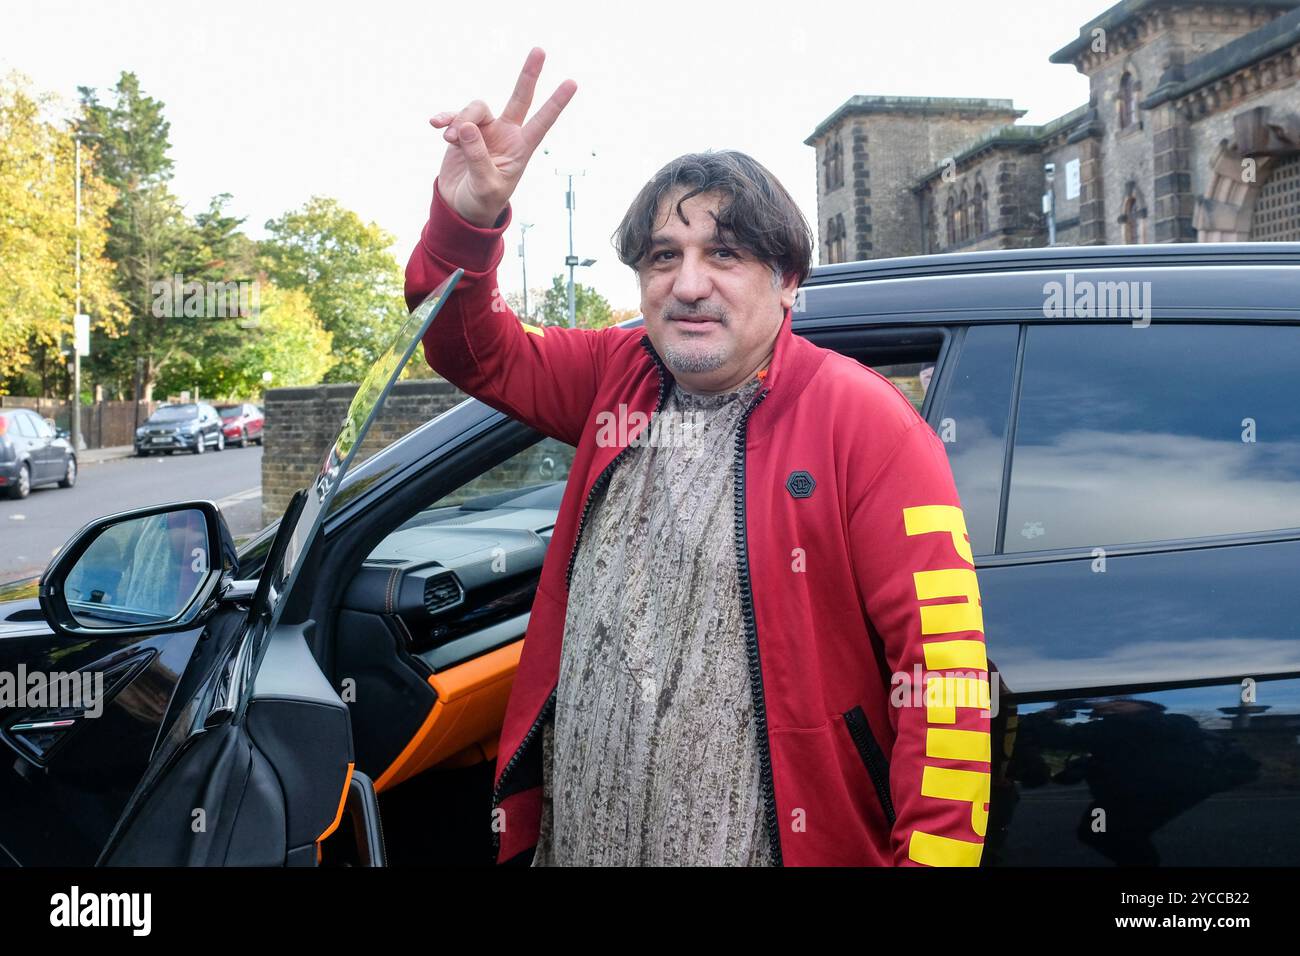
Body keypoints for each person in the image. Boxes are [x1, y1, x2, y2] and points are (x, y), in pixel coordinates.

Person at [406, 47, 991, 866]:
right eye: (662, 256)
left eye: (724, 254)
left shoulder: (869, 425)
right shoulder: (617, 376)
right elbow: (470, 349)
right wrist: (466, 222)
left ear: (788, 281)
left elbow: (947, 682)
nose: (687, 284)